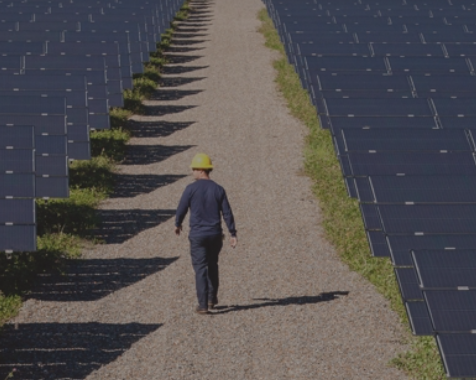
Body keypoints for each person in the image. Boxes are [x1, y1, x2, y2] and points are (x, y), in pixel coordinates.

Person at [175, 153, 238, 315]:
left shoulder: (190, 189)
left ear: (201, 170)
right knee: (212, 265)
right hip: (215, 235)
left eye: (194, 169)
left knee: (200, 268)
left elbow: (181, 208)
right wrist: (232, 233)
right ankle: (212, 298)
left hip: (197, 235)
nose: (192, 172)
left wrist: (178, 223)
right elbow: (227, 213)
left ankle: (203, 305)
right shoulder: (218, 189)